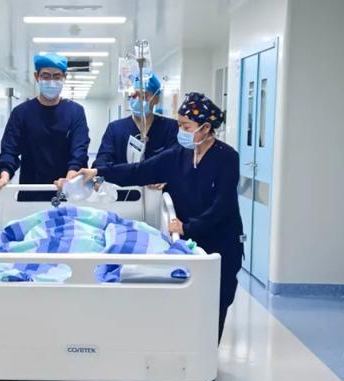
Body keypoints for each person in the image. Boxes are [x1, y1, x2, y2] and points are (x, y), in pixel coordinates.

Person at [78, 92, 243, 342]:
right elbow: (138, 171)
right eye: (179, 125)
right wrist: (99, 171)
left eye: (186, 126)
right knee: (191, 303)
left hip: (221, 241)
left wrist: (189, 227)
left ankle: (208, 355)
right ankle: (190, 353)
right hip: (187, 240)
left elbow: (223, 205)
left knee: (217, 301)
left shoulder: (226, 157)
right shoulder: (178, 155)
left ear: (206, 128)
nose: (180, 131)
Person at [0, 53, 89, 194]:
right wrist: (4, 174)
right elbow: (10, 150)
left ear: (64, 77)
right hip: (31, 190)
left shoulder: (75, 112)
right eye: (46, 76)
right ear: (36, 76)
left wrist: (71, 176)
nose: (51, 81)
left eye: (56, 76)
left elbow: (79, 149)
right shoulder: (21, 113)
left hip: (66, 189)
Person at [93, 73, 177, 198]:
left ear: (156, 99)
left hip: (160, 198)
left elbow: (177, 163)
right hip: (124, 197)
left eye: (144, 96)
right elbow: (101, 161)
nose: (138, 100)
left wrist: (166, 177)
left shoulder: (170, 127)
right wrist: (98, 176)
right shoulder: (115, 129)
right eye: (134, 95)